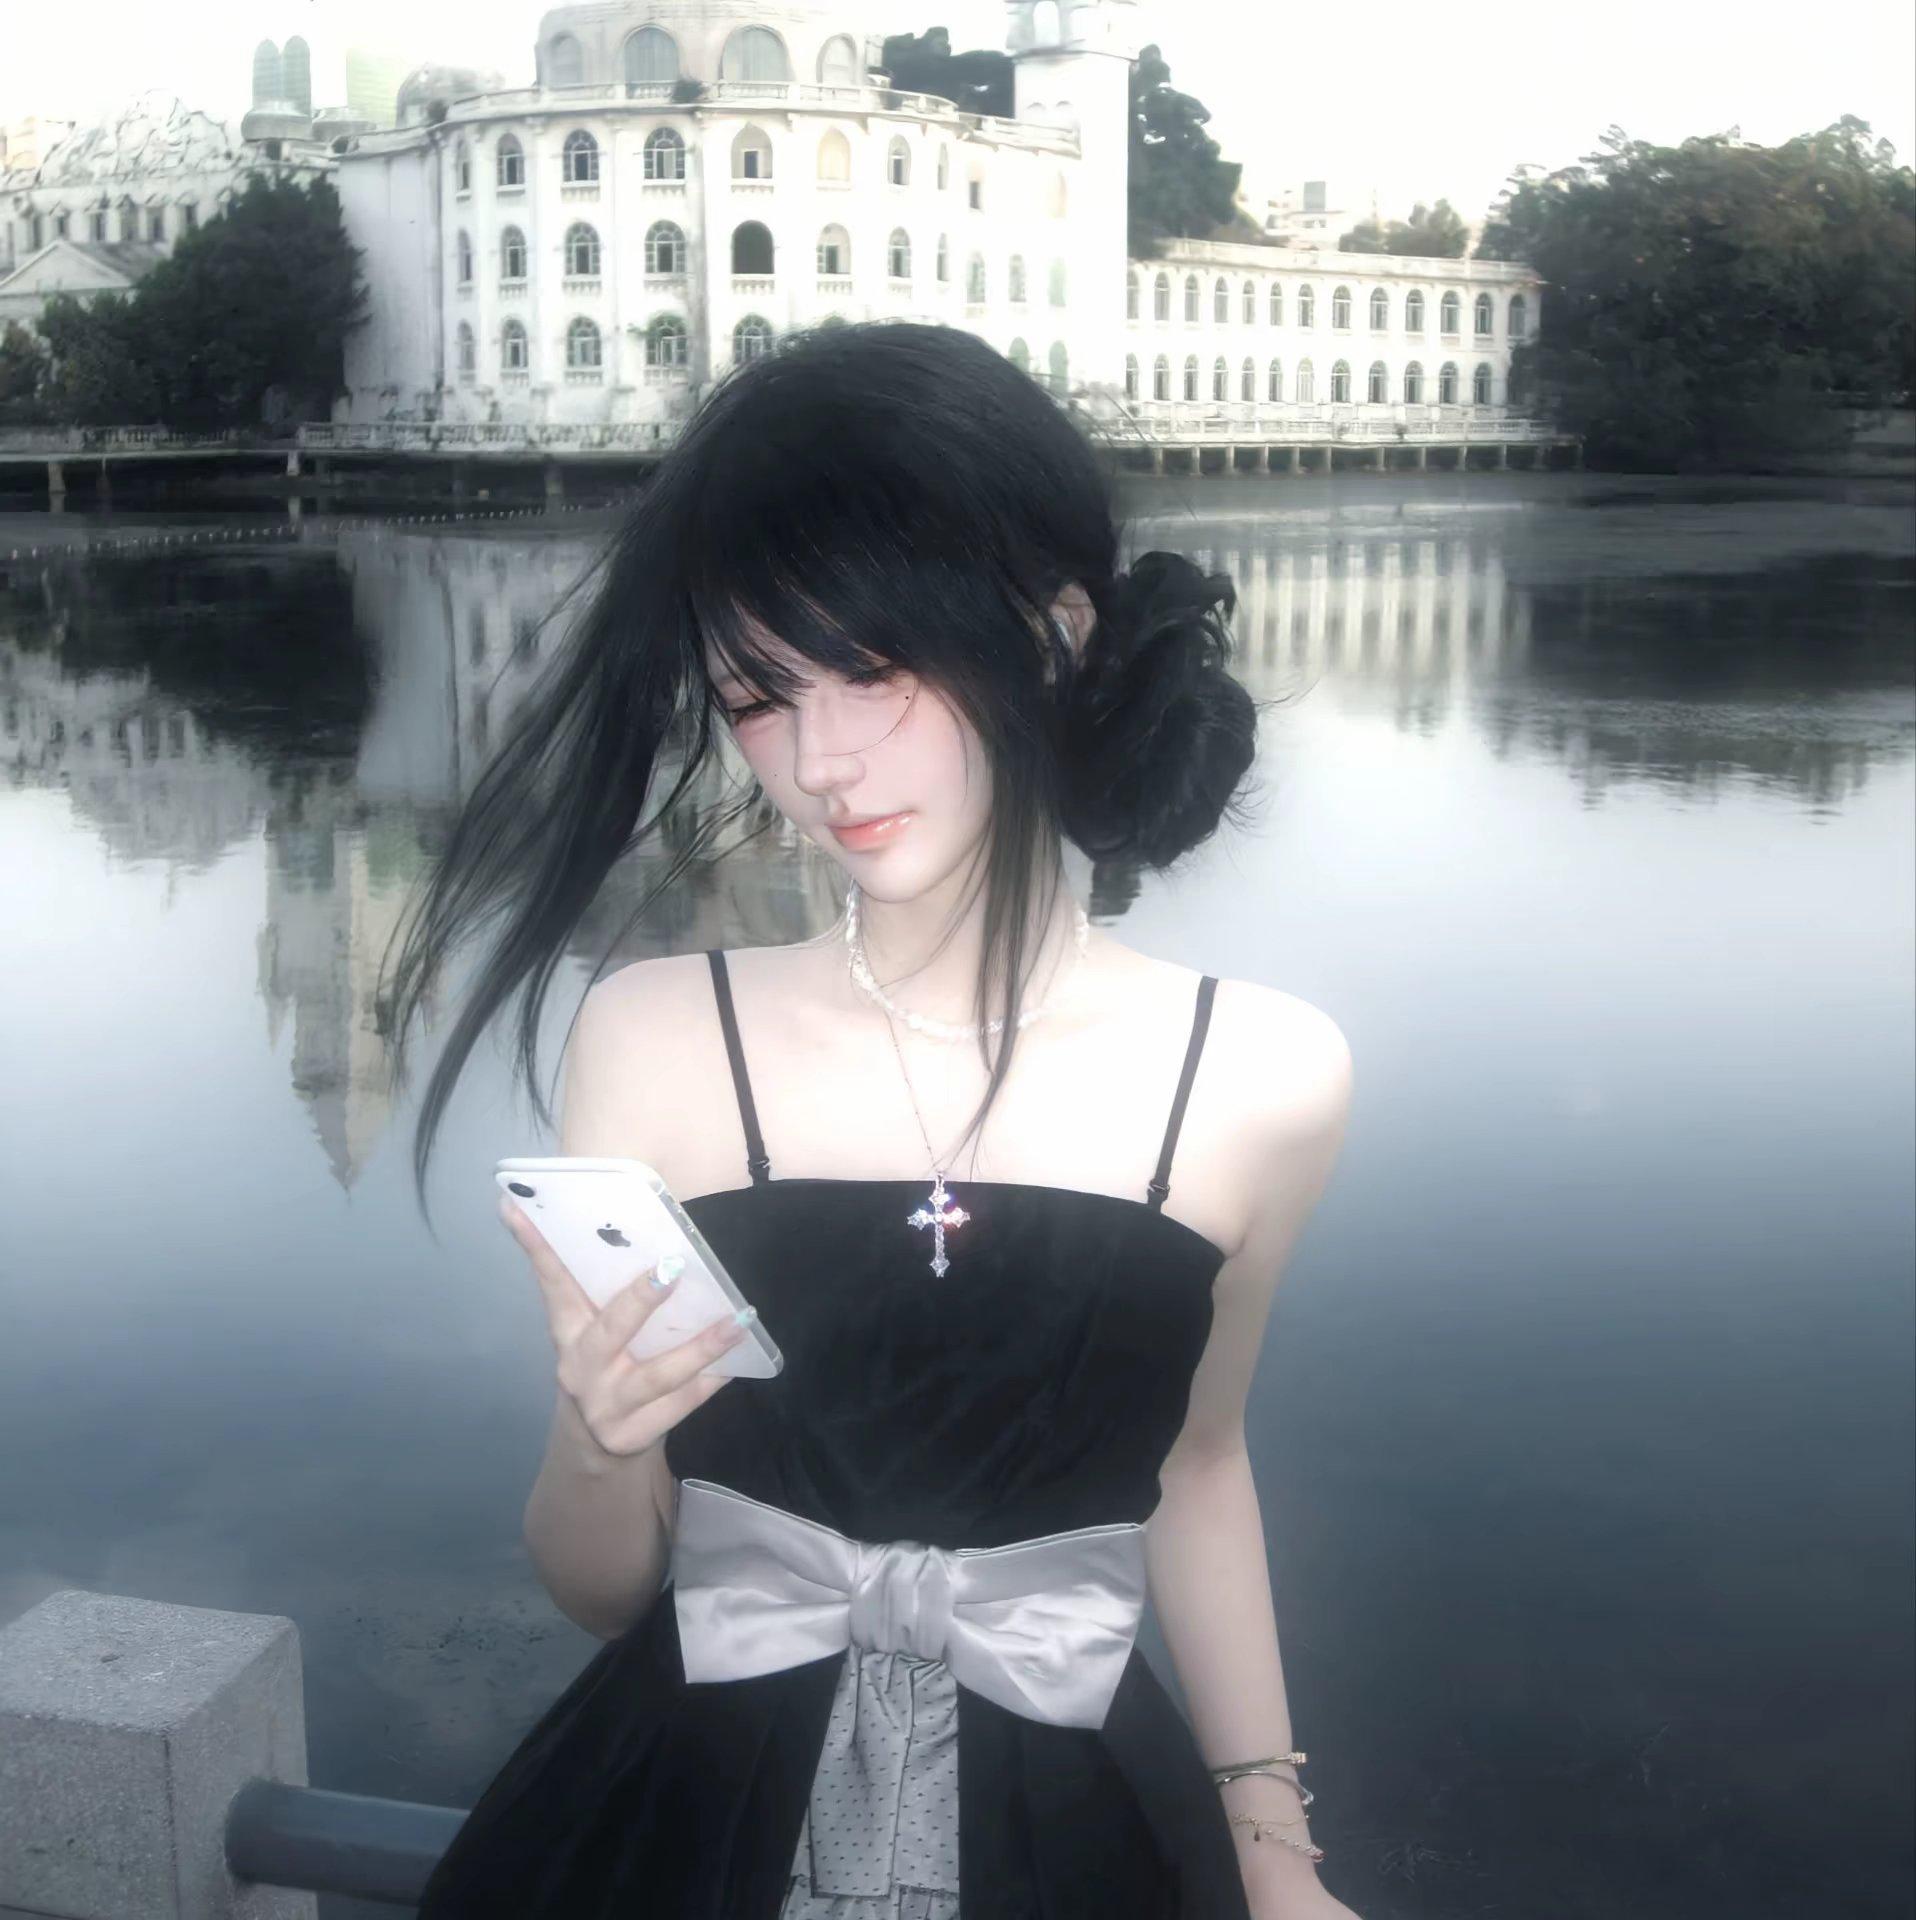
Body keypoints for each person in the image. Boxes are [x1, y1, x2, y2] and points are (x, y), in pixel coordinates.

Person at [380, 319, 1357, 1919]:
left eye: (874, 669)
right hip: (674, 1822)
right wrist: (599, 1437)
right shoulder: (656, 1039)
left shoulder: (1259, 1073)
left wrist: (1274, 1848)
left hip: (1072, 1820)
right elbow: (604, 1592)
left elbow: (1197, 1465)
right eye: (758, 695)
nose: (820, 761)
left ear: (1054, 630)